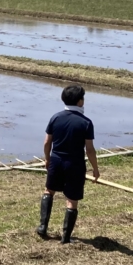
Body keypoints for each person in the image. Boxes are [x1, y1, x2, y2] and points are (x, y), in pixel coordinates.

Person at [37, 85, 100, 244]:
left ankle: (43, 226)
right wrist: (95, 169)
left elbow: (46, 142)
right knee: (72, 199)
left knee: (49, 190)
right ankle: (65, 237)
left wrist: (47, 158)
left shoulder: (55, 118)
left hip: (56, 160)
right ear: (80, 101)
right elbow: (90, 150)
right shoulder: (86, 122)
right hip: (75, 163)